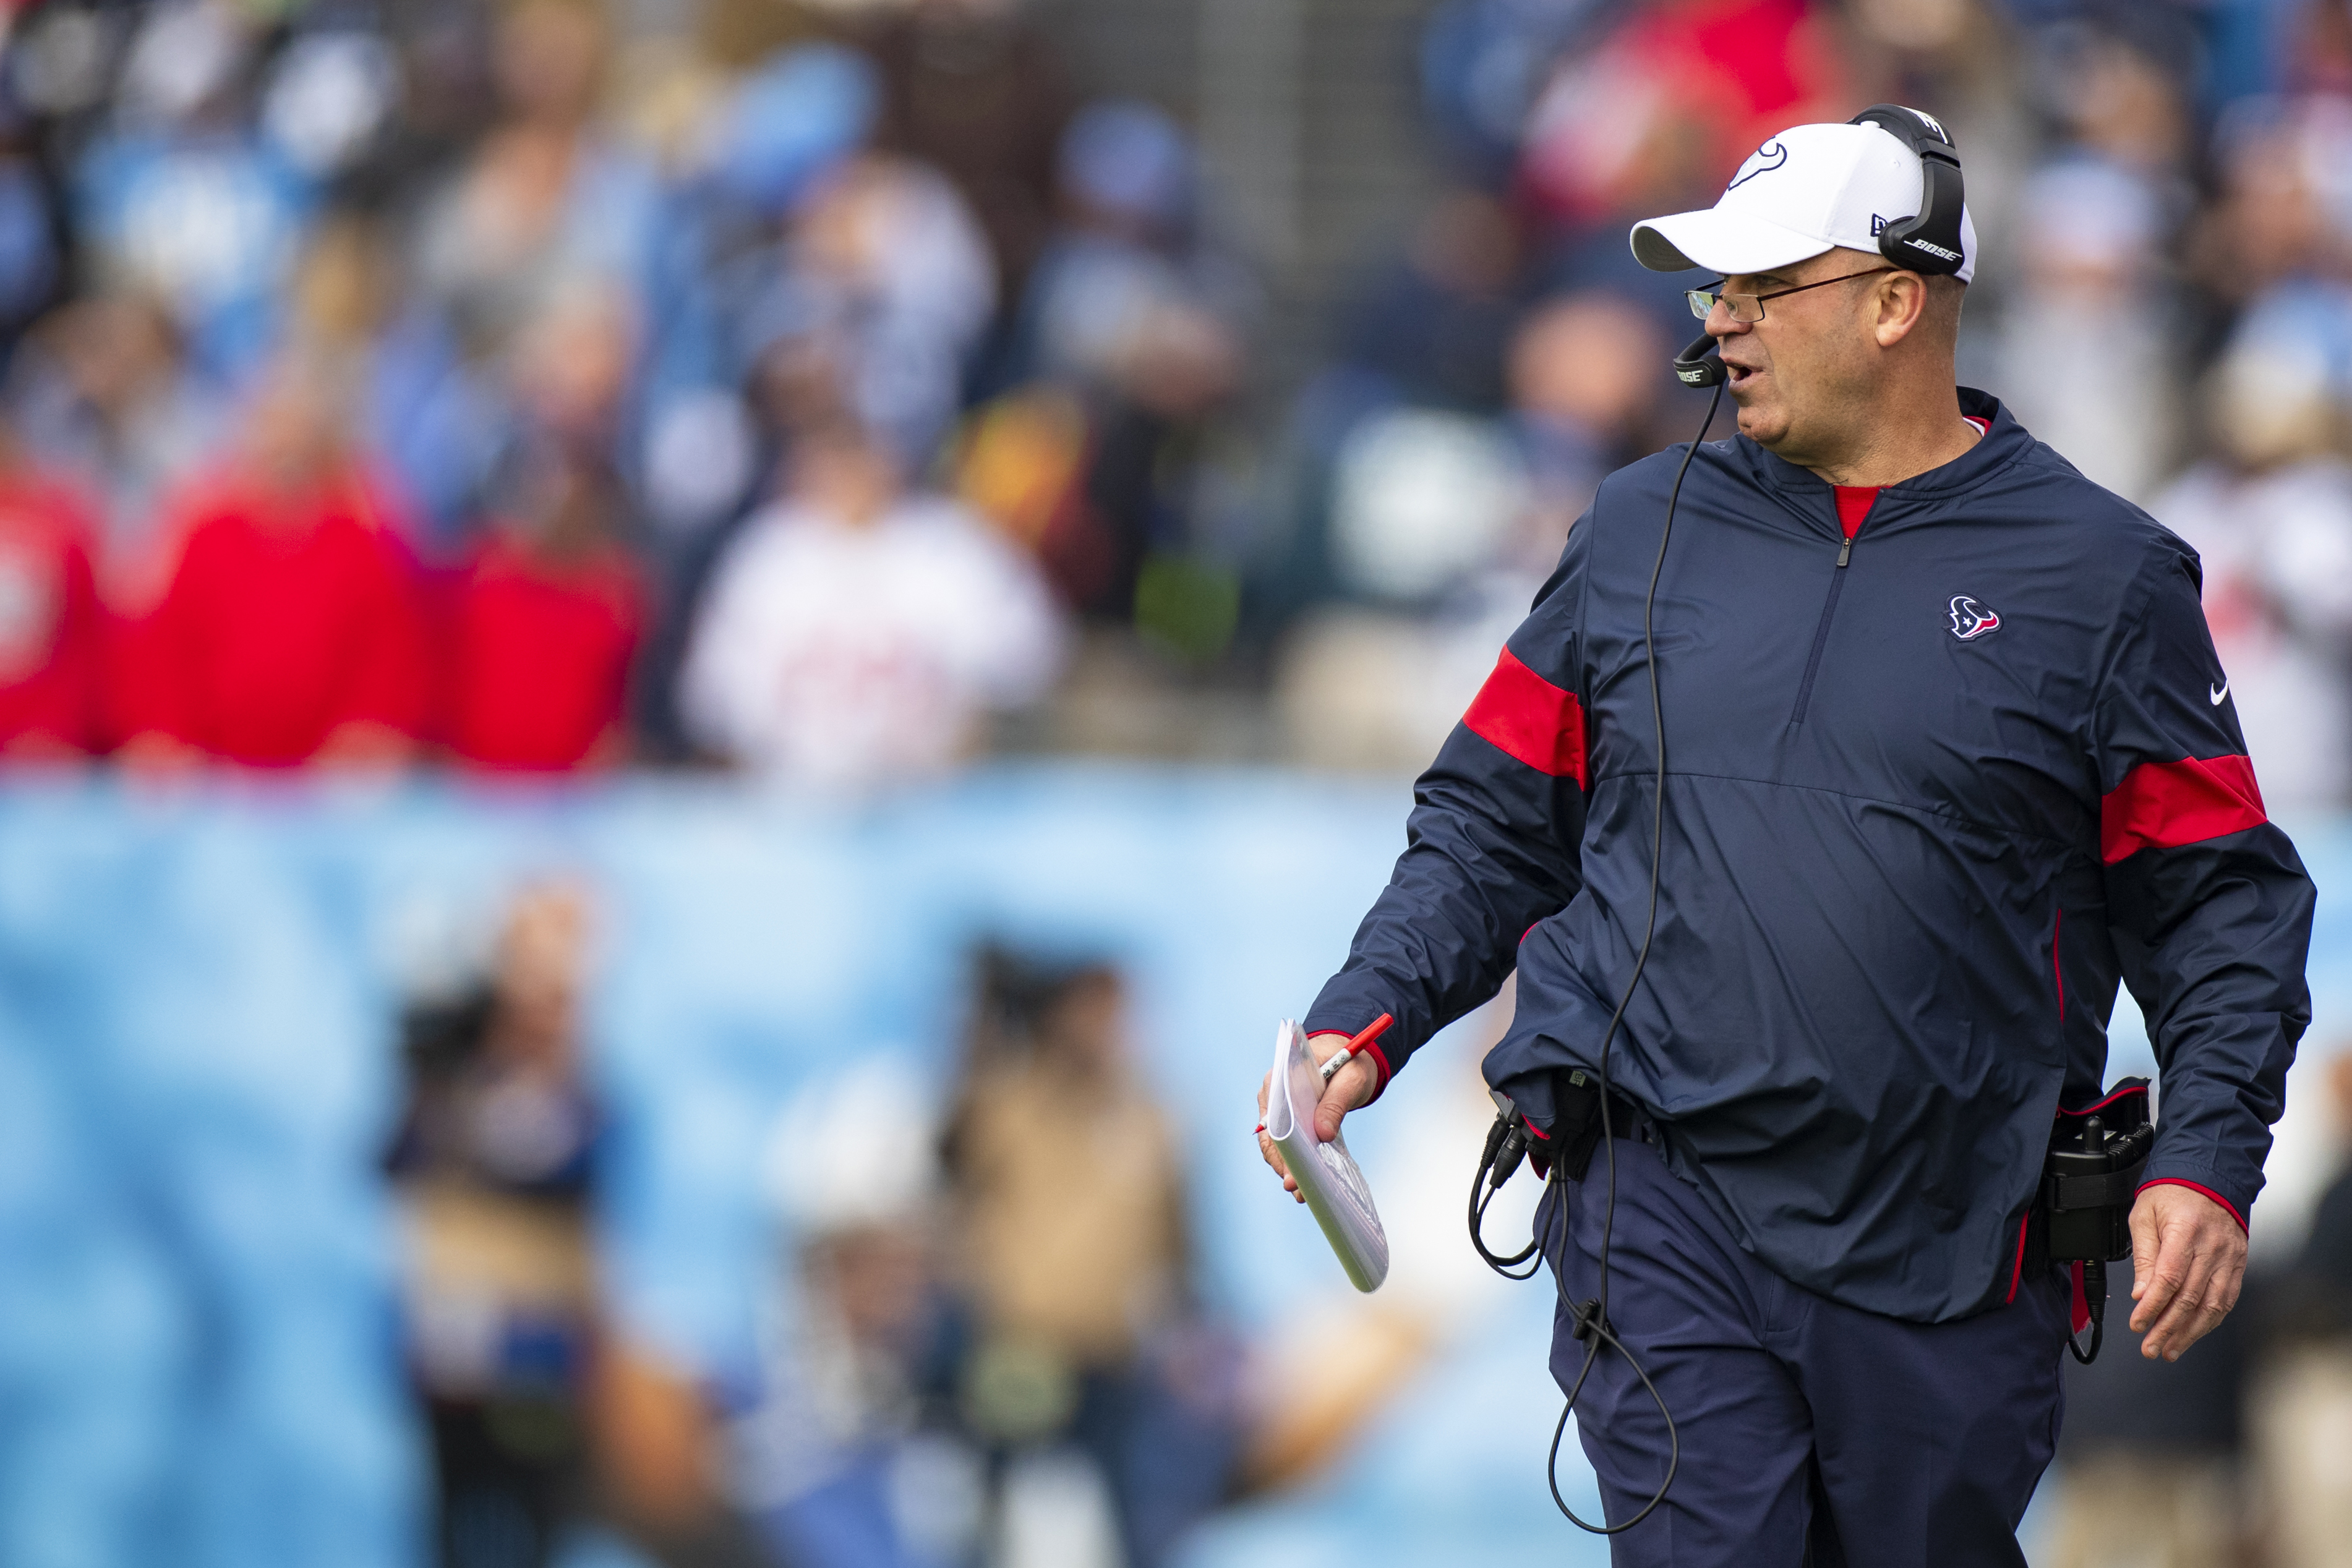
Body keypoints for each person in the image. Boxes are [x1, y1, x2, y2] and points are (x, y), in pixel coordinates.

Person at [1256, 109, 2316, 1564]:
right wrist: (1361, 1018)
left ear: (1895, 302)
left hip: (1958, 1245)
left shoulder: (2102, 575)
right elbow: (1495, 818)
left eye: (1763, 287)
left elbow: (2222, 910)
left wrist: (2204, 1155)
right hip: (1661, 1203)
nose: (1721, 323)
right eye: (1715, 291)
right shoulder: (1633, 528)